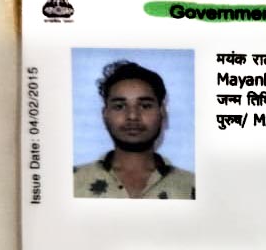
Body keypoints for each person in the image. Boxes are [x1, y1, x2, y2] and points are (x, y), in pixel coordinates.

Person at [74, 60, 195, 199]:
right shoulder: (72, 181)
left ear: (162, 112)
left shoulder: (192, 186)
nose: (132, 116)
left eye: (145, 106)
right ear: (105, 114)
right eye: (119, 106)